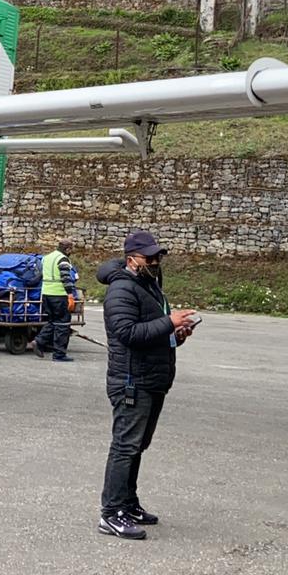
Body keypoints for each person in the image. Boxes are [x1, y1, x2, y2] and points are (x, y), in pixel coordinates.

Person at [97, 229, 199, 540]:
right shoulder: (121, 290)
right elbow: (127, 333)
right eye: (150, 258)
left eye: (158, 257)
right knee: (125, 446)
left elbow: (150, 332)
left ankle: (128, 503)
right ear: (132, 260)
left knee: (138, 446)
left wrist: (175, 335)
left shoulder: (150, 286)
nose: (156, 262)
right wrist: (169, 322)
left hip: (152, 378)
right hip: (131, 380)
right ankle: (111, 513)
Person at [34, 238, 78, 362]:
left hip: (46, 294)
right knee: (63, 324)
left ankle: (39, 341)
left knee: (53, 321)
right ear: (68, 249)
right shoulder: (63, 259)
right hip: (59, 295)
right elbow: (65, 278)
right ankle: (59, 355)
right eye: (71, 249)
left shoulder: (46, 258)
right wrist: (70, 294)